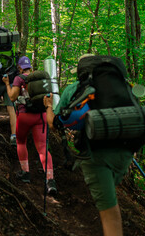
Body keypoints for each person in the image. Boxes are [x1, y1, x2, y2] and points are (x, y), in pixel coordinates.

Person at [44, 55, 133, 236]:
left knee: (110, 214)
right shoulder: (120, 87)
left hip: (96, 155)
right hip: (126, 151)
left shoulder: (75, 89)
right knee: (109, 197)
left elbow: (54, 123)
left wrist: (47, 106)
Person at [3, 56, 57, 196]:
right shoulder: (38, 79)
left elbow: (13, 97)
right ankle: (50, 181)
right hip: (41, 116)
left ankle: (25, 173)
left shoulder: (18, 79)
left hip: (24, 116)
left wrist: (7, 84)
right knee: (43, 148)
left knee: (21, 141)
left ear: (20, 68)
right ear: (30, 67)